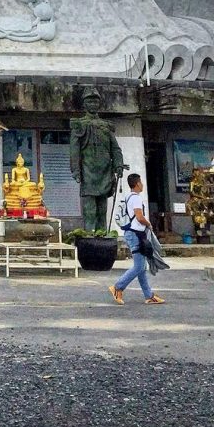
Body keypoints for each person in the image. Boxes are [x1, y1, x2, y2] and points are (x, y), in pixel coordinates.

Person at [69, 87, 125, 232]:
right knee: (89, 210)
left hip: (105, 171)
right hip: (87, 171)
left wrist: (118, 164)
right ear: (84, 104)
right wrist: (76, 170)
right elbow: (74, 150)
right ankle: (88, 236)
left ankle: (102, 235)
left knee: (102, 209)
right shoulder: (79, 124)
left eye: (95, 102)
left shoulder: (106, 126)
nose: (93, 104)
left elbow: (115, 148)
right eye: (90, 101)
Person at [108, 173, 165, 306]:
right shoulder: (137, 199)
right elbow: (139, 217)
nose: (143, 185)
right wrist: (148, 224)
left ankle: (149, 295)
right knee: (139, 266)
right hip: (136, 234)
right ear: (138, 183)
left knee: (141, 267)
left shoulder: (128, 197)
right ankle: (118, 287)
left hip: (132, 233)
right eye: (141, 182)